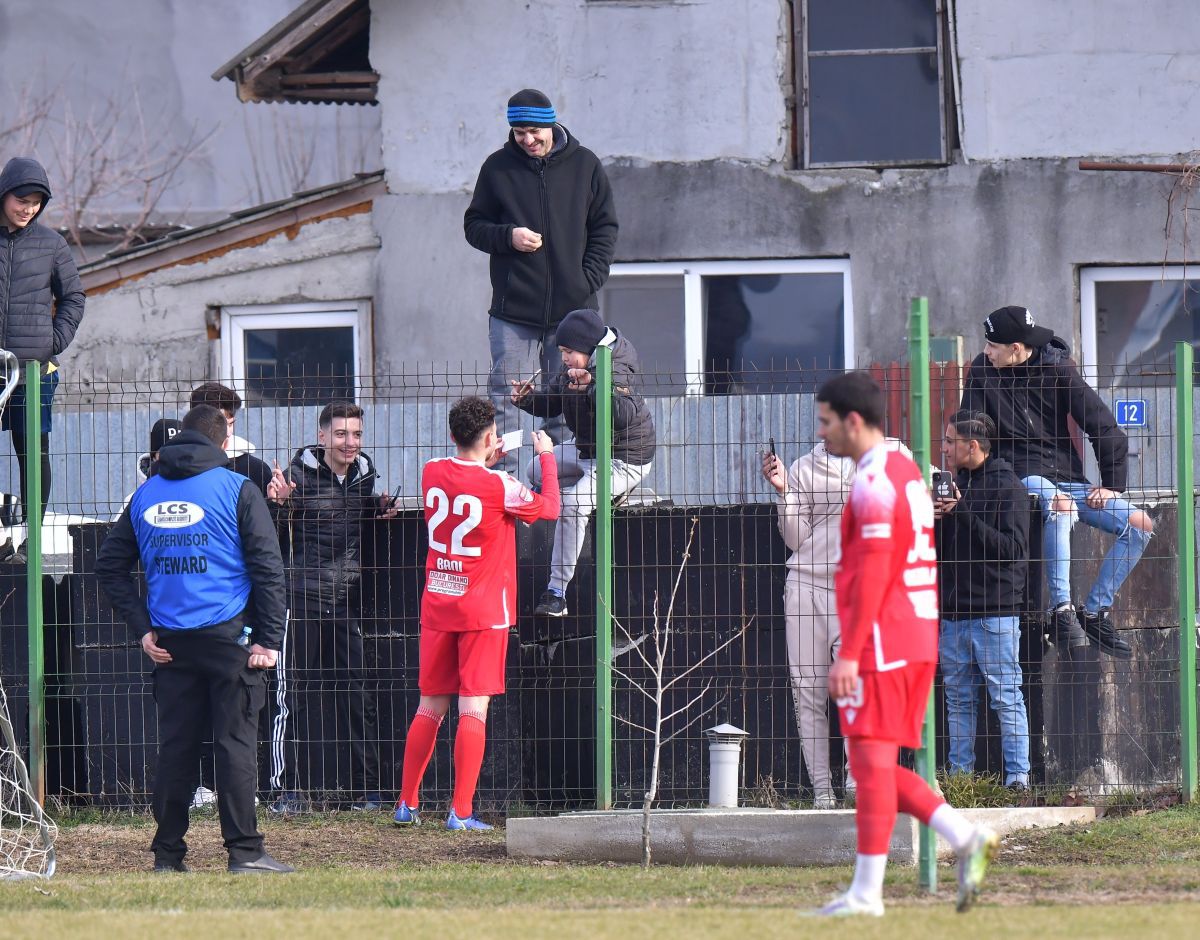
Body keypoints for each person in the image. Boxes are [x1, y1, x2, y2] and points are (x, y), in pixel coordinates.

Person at [814, 372, 997, 917]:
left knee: (868, 763)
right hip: (914, 633)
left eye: (825, 423)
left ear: (852, 422)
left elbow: (873, 568)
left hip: (884, 638)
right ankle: (960, 841)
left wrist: (849, 651)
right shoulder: (905, 469)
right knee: (873, 766)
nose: (820, 435)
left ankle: (869, 894)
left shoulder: (875, 480)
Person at [95, 404, 292, 874]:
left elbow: (109, 567)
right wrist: (268, 640)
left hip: (170, 646)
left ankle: (167, 856)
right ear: (223, 443)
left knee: (177, 749)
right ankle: (244, 853)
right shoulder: (238, 488)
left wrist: (143, 630)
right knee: (235, 746)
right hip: (231, 643)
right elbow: (269, 570)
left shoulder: (145, 494)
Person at [393, 397, 560, 830]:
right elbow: (550, 508)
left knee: (430, 705)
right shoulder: (501, 486)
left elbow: (462, 479)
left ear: (452, 435)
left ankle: (406, 804)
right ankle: (461, 811)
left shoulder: (432, 471)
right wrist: (546, 457)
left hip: (438, 602)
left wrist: (486, 461)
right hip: (484, 611)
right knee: (473, 708)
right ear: (489, 437)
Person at [960, 306, 1153, 660]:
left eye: (992, 345)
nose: (986, 351)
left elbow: (1103, 424)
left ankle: (1094, 612)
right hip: (1019, 476)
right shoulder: (981, 372)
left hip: (1067, 477)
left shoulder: (1057, 369)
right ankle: (1061, 611)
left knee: (1140, 524)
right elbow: (970, 434)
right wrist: (971, 485)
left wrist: (1111, 483)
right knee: (1059, 505)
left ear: (1016, 348)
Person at [464, 89, 619, 457]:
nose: (528, 139)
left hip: (572, 313)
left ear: (551, 125)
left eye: (534, 130)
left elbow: (605, 228)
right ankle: (511, 494)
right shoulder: (497, 168)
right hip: (512, 312)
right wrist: (508, 236)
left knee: (566, 403)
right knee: (507, 402)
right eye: (519, 133)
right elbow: (474, 225)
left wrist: (586, 282)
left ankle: (560, 494)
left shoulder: (585, 165)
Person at [266, 401, 393, 814]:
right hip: (300, 602)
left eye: (355, 434)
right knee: (292, 697)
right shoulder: (297, 478)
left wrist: (379, 507)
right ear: (322, 437)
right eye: (340, 434)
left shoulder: (363, 479)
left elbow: (354, 513)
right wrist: (280, 501)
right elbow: (273, 519)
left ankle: (367, 793)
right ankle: (288, 792)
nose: (349, 442)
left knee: (358, 696)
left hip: (346, 606)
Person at [510, 308, 654, 616]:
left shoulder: (618, 366)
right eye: (561, 351)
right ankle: (588, 499)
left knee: (574, 503)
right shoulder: (575, 365)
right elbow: (551, 400)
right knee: (535, 470)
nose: (563, 358)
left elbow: (621, 415)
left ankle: (556, 593)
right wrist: (526, 398)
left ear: (588, 348)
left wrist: (592, 387)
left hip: (622, 458)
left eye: (568, 352)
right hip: (587, 449)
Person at [934, 410, 1032, 790]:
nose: (943, 448)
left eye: (949, 442)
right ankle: (961, 782)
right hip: (954, 614)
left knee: (1005, 698)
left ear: (972, 446)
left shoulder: (1009, 487)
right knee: (959, 703)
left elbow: (1012, 548)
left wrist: (962, 512)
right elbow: (946, 552)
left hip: (995, 614)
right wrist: (939, 517)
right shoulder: (956, 485)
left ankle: (1018, 781)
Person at [0, 157, 86, 563]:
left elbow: (74, 297)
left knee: (32, 451)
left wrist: (52, 341)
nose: (28, 208)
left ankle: (31, 533)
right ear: (5, 194)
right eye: (22, 199)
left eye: (36, 202)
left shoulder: (52, 244)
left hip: (33, 371)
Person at [761, 440, 855, 809]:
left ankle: (856, 782)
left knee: (857, 687)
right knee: (808, 692)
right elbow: (796, 539)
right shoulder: (803, 467)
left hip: (856, 591)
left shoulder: (880, 457)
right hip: (806, 586)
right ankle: (822, 791)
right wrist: (785, 492)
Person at [189, 382, 273, 496]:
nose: (228, 433)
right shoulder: (172, 467)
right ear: (197, 422)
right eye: (221, 425)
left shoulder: (255, 469)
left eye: (231, 424)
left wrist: (277, 502)